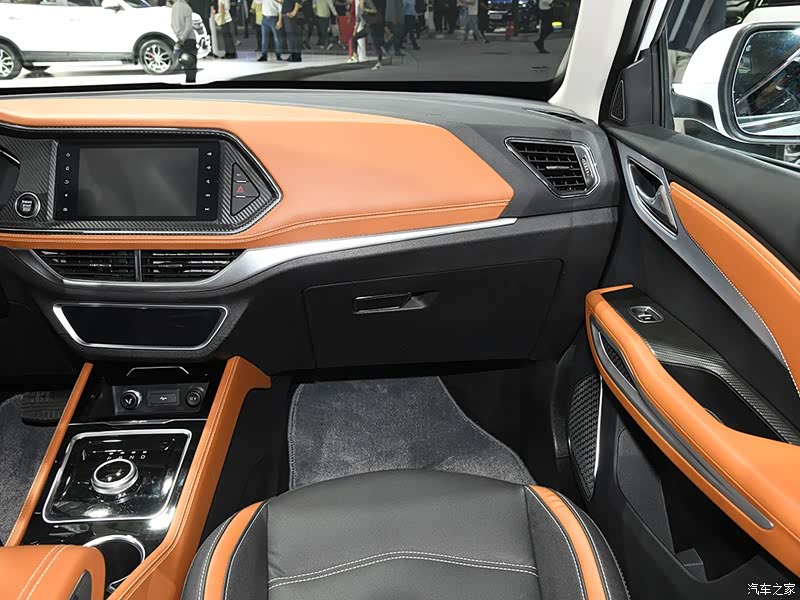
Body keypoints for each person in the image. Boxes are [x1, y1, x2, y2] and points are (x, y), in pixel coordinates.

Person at [348, 0, 384, 70]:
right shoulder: (359, 7)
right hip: (367, 27)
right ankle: (355, 56)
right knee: (354, 38)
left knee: (376, 45)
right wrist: (355, 30)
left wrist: (365, 9)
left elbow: (375, 11)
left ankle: (379, 63)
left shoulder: (368, 2)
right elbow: (358, 20)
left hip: (373, 25)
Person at [171, 0, 199, 82]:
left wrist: (179, 37)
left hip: (180, 38)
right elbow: (188, 27)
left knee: (185, 63)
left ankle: (188, 83)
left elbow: (172, 24)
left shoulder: (174, 6)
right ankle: (191, 83)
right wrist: (183, 38)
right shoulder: (187, 8)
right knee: (191, 65)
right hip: (189, 39)